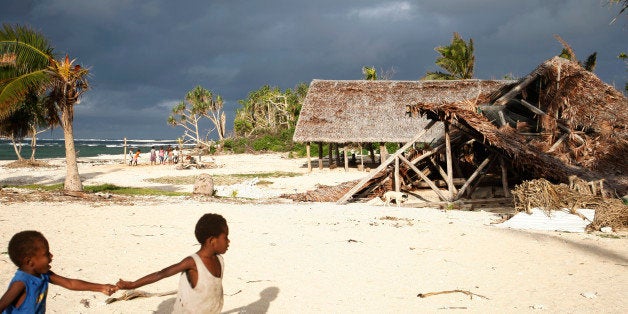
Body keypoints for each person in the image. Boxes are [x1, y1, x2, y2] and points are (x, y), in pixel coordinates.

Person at [117, 213, 229, 314]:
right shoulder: (193, 262)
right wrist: (132, 284)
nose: (228, 241)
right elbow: (161, 274)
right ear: (212, 241)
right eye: (225, 237)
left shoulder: (219, 260)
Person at [0, 231, 117, 313]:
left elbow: (70, 283)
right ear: (29, 261)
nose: (51, 256)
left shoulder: (43, 275)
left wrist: (101, 287)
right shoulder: (21, 283)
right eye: (46, 254)